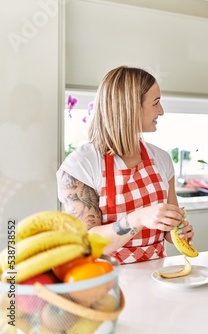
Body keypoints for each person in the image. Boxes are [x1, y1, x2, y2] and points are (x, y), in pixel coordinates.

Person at [57, 66, 194, 264]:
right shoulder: (81, 165)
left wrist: (178, 231)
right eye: (156, 103)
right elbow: (87, 242)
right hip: (103, 281)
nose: (161, 111)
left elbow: (167, 229)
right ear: (130, 107)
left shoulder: (161, 159)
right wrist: (138, 219)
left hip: (155, 275)